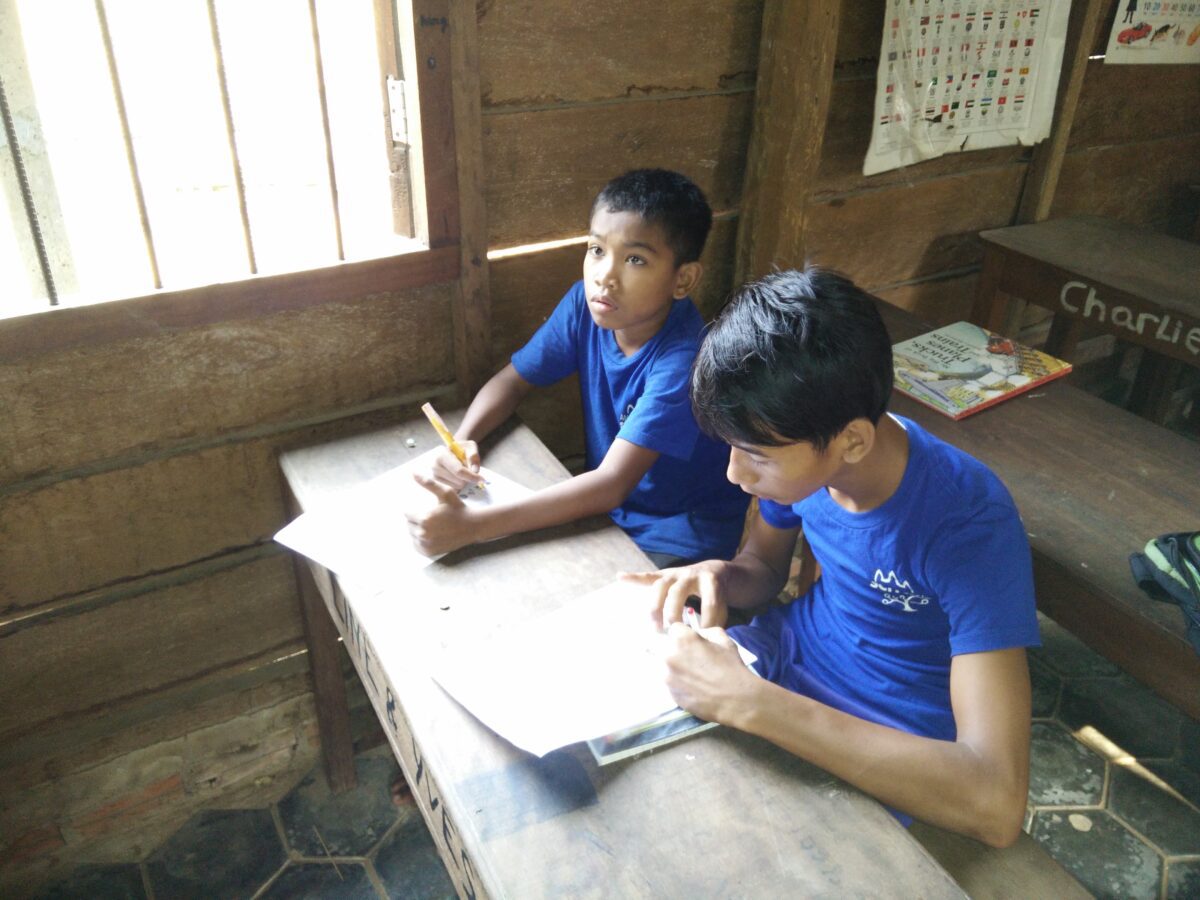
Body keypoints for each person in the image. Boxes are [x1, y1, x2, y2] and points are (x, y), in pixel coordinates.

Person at [624, 267, 1040, 847]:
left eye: (756, 456)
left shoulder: (967, 524)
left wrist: (751, 704)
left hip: (885, 737)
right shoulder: (807, 455)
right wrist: (719, 575)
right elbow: (764, 572)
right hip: (780, 664)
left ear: (852, 442)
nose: (735, 474)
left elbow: (995, 803)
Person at [405, 168, 750, 569]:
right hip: (606, 510)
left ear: (683, 279)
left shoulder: (685, 362)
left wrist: (473, 526)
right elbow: (512, 382)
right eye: (597, 250)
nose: (605, 276)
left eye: (635, 259)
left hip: (676, 535)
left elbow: (611, 485)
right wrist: (463, 441)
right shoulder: (585, 309)